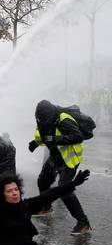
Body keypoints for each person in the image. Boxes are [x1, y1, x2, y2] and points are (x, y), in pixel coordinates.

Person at [0, 168, 91, 245]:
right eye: (9, 191)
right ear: (2, 194)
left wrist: (73, 183)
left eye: (16, 189)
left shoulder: (26, 205)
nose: (15, 193)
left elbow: (51, 194)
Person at [28, 100, 91, 234]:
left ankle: (83, 222)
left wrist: (55, 140)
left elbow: (78, 136)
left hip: (70, 159)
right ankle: (46, 207)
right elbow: (44, 135)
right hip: (56, 156)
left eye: (44, 117)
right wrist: (35, 143)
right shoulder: (43, 119)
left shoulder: (63, 120)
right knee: (43, 181)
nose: (41, 120)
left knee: (65, 190)